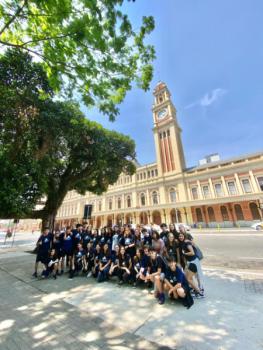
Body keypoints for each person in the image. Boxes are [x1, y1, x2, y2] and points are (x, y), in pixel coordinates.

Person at [178, 232, 204, 298]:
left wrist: (185, 253)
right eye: (179, 236)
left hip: (194, 262)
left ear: (184, 236)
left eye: (182, 236)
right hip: (190, 262)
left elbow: (192, 253)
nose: (180, 237)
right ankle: (196, 290)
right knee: (188, 277)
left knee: (190, 278)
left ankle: (199, 292)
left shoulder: (187, 243)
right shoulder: (183, 243)